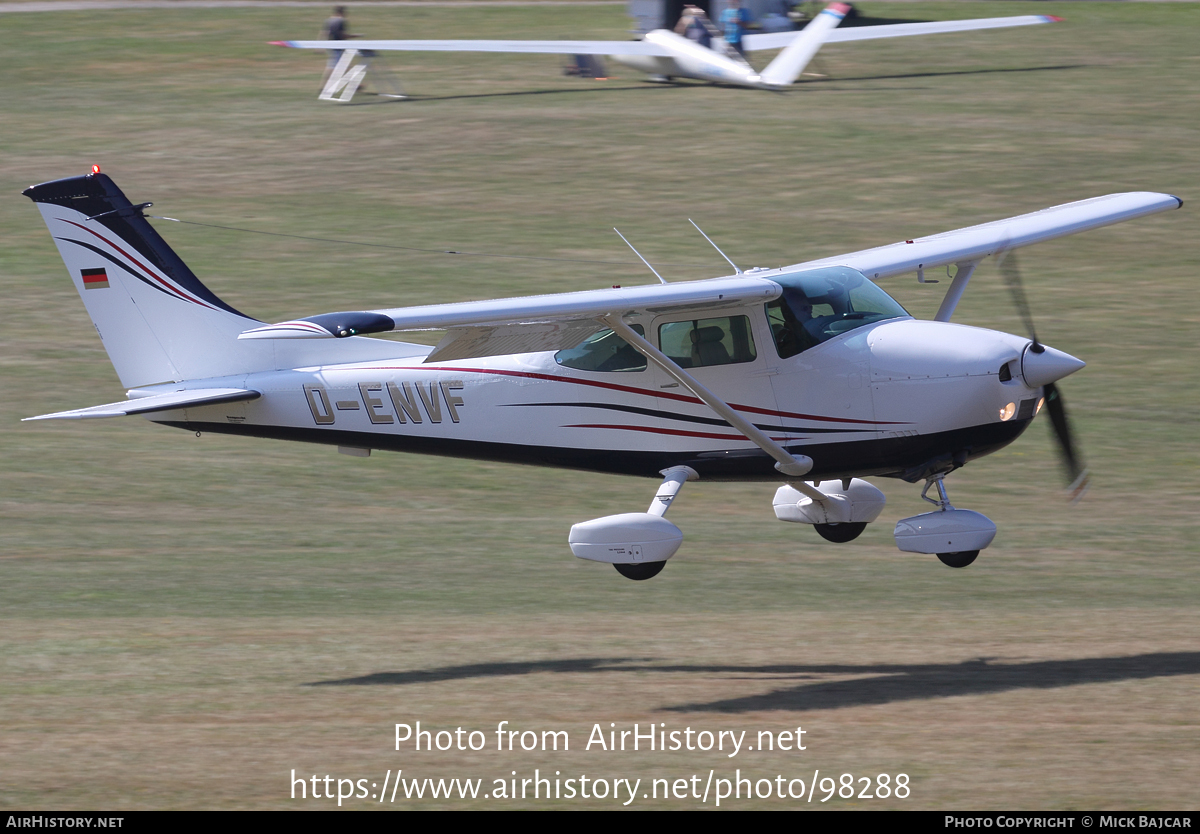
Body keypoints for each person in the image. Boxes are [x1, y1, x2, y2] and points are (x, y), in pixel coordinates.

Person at [320, 6, 359, 90]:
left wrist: (321, 46)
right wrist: (354, 36)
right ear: (342, 12)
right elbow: (342, 35)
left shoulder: (328, 21)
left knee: (334, 67)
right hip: (339, 47)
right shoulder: (341, 21)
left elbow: (324, 33)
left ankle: (355, 85)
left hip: (331, 46)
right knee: (337, 67)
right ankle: (355, 86)